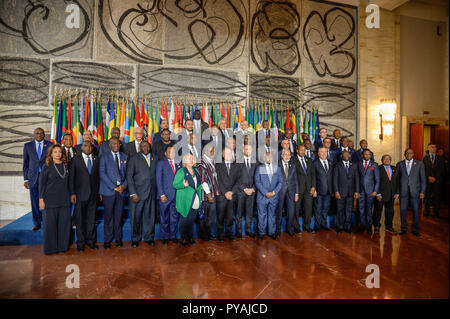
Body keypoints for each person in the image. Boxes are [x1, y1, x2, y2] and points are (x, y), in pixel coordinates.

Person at [38, 144, 71, 254]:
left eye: (60, 152)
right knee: (50, 226)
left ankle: (62, 247)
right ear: (51, 154)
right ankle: (50, 248)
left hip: (64, 200)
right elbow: (41, 184)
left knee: (64, 225)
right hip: (50, 200)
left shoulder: (66, 165)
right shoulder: (46, 166)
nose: (58, 154)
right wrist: (41, 199)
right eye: (55, 152)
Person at [69, 141, 100, 251]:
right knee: (80, 220)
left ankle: (91, 241)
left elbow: (98, 178)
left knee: (91, 219)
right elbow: (71, 178)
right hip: (80, 195)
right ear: (81, 147)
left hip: (93, 195)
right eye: (85, 145)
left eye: (90, 146)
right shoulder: (75, 160)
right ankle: (81, 243)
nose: (88, 147)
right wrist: (72, 193)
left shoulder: (96, 159)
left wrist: (99, 192)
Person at [99, 137, 128, 248]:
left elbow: (128, 174)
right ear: (109, 145)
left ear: (120, 144)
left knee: (118, 216)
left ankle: (118, 239)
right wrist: (114, 187)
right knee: (108, 217)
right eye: (113, 143)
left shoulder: (125, 157)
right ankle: (107, 239)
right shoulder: (104, 157)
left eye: (117, 143)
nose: (115, 145)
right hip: (108, 191)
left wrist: (123, 186)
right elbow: (102, 173)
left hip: (121, 191)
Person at [127, 141, 156, 247]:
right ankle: (135, 238)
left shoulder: (154, 158)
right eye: (143, 146)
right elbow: (129, 176)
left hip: (151, 192)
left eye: (147, 146)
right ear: (140, 147)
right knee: (136, 217)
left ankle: (149, 237)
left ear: (150, 147)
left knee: (149, 217)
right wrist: (133, 193)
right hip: (138, 194)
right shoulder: (134, 158)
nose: (146, 148)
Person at [23, 127, 53, 231]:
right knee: (34, 200)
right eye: (37, 133)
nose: (39, 135)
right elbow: (25, 163)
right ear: (34, 135)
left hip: (46, 177)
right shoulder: (27, 146)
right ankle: (37, 222)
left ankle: (47, 221)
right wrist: (26, 179)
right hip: (33, 177)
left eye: (41, 133)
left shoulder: (50, 145)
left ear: (44, 135)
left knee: (47, 199)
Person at [173, 153, 202, 247]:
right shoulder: (181, 171)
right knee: (184, 220)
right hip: (185, 200)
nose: (191, 160)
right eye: (189, 158)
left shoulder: (196, 171)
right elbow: (175, 184)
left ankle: (190, 237)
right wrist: (183, 184)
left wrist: (200, 198)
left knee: (191, 220)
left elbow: (199, 185)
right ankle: (183, 238)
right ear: (185, 161)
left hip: (195, 199)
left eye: (192, 159)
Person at [397, 148, 426, 236]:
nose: (409, 154)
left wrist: (422, 192)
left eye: (411, 153)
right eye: (407, 153)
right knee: (402, 210)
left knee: (416, 210)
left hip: (415, 191)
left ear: (413, 154)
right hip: (403, 191)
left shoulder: (420, 164)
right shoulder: (399, 164)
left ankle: (415, 229)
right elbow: (397, 180)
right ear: (404, 154)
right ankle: (403, 228)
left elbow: (423, 179)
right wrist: (397, 192)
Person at [254, 152, 283, 240]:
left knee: (272, 215)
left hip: (274, 197)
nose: (268, 158)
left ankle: (272, 232)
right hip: (262, 196)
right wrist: (266, 193)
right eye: (267, 156)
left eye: (270, 156)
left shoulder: (277, 168)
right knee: (262, 215)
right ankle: (261, 233)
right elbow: (257, 182)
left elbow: (280, 182)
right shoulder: (259, 168)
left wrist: (274, 193)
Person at [156, 146, 181, 245]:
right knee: (164, 217)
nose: (171, 153)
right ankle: (165, 236)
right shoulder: (161, 163)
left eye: (173, 152)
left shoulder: (178, 163)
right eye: (169, 152)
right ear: (165, 154)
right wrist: (161, 194)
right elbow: (158, 180)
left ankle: (173, 236)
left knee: (174, 217)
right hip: (165, 196)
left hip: (176, 195)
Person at [215, 147, 241, 241]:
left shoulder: (237, 166)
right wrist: (225, 192)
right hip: (222, 196)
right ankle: (221, 235)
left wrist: (232, 192)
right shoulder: (218, 165)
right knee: (221, 217)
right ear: (223, 155)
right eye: (226, 153)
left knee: (230, 217)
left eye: (230, 153)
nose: (228, 155)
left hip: (232, 196)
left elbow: (239, 180)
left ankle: (229, 234)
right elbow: (217, 181)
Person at [196, 144, 220, 241]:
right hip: (205, 196)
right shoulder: (201, 163)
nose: (214, 153)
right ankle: (204, 235)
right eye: (212, 151)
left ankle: (209, 233)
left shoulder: (211, 162)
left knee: (211, 217)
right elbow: (203, 181)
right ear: (206, 151)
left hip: (213, 194)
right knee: (204, 216)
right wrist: (209, 194)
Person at [333, 150, 360, 234]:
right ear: (341, 156)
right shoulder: (337, 165)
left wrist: (357, 191)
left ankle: (347, 227)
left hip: (351, 193)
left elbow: (357, 179)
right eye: (344, 155)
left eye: (348, 155)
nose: (346, 156)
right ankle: (340, 227)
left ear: (350, 156)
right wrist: (336, 191)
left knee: (348, 211)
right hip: (340, 193)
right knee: (340, 210)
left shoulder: (354, 165)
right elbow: (335, 180)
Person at [291, 144, 316, 233]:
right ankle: (296, 227)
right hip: (297, 190)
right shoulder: (293, 160)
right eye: (301, 150)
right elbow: (291, 176)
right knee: (296, 209)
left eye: (304, 150)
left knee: (308, 209)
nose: (303, 152)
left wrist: (313, 186)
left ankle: (307, 226)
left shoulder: (309, 160)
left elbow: (313, 174)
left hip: (308, 189)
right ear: (297, 150)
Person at [373, 154, 399, 234]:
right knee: (378, 211)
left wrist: (397, 192)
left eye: (389, 159)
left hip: (391, 195)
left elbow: (398, 181)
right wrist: (377, 194)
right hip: (380, 195)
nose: (387, 160)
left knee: (390, 211)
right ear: (382, 160)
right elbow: (375, 181)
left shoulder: (394, 168)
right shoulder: (378, 168)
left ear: (390, 160)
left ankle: (389, 226)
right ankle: (376, 225)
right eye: (385, 159)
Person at [236, 144, 258, 238]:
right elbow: (236, 178)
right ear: (243, 150)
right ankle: (239, 232)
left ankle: (248, 230)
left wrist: (253, 189)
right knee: (239, 213)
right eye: (246, 149)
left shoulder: (256, 162)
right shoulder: (238, 162)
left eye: (249, 149)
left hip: (252, 191)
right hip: (241, 191)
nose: (248, 151)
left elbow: (257, 177)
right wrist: (244, 189)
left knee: (249, 212)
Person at [357, 149, 380, 234]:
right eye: (365, 154)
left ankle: (369, 226)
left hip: (371, 191)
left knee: (369, 209)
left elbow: (377, 180)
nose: (367, 156)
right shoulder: (358, 164)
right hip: (361, 191)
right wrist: (357, 191)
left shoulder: (374, 165)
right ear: (362, 155)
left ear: (370, 155)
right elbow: (357, 178)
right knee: (361, 209)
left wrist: (375, 191)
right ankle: (362, 225)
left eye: (368, 154)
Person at [277, 149, 299, 237]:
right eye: (285, 154)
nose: (287, 156)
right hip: (280, 192)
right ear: (281, 155)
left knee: (291, 211)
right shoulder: (277, 165)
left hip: (291, 191)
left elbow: (296, 179)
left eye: (288, 154)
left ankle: (290, 229)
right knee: (278, 212)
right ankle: (277, 231)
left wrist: (296, 193)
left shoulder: (292, 165)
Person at [313, 147, 334, 232]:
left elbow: (332, 177)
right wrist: (314, 189)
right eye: (322, 152)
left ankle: (324, 224)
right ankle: (317, 226)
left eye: (325, 152)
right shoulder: (315, 163)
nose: (324, 153)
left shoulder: (330, 162)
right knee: (318, 209)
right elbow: (313, 177)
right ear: (318, 153)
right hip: (318, 190)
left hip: (328, 191)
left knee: (325, 209)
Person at [423, 143, 445, 217]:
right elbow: (423, 170)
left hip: (437, 181)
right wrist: (428, 177)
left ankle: (436, 212)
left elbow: (442, 169)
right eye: (432, 147)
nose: (433, 148)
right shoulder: (425, 158)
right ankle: (426, 211)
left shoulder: (440, 158)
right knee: (427, 197)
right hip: (428, 181)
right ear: (428, 148)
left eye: (435, 147)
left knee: (437, 197)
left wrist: (435, 178)